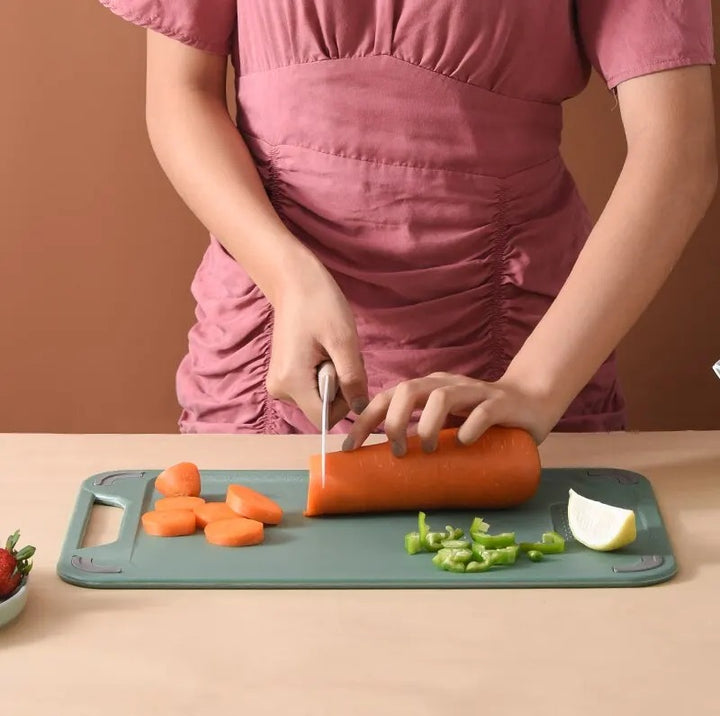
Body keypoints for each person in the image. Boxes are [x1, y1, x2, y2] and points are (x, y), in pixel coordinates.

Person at [98, 1, 716, 454]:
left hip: (521, 353)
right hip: (272, 343)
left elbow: (680, 149)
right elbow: (181, 93)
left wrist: (532, 385)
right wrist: (287, 277)